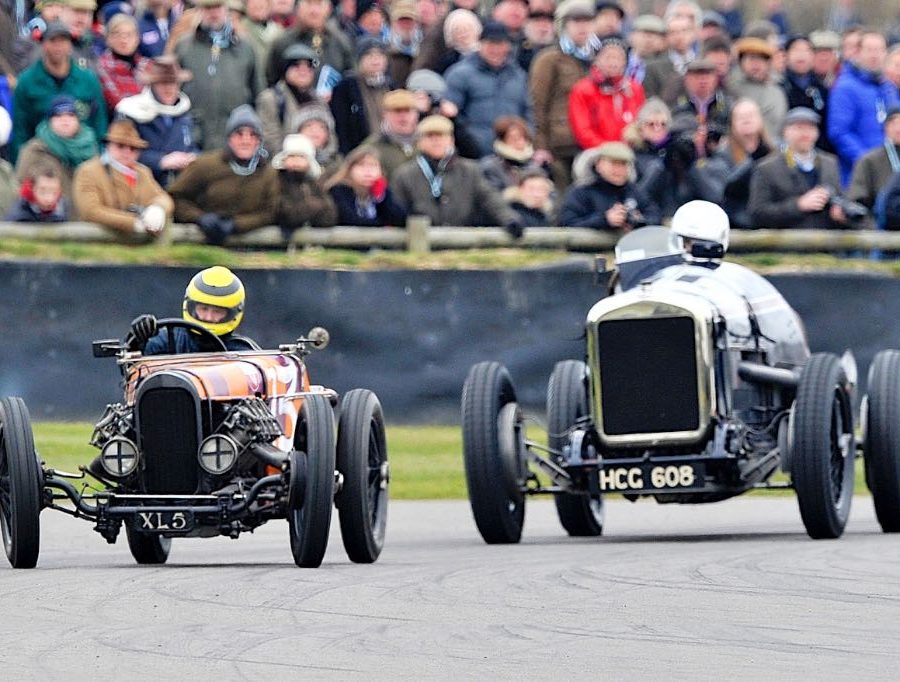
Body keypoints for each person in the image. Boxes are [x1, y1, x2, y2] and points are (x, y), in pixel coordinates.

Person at [168, 104, 279, 244]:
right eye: (239, 134)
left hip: (255, 245)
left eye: (253, 135)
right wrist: (200, 218)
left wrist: (236, 224)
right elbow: (175, 197)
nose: (246, 140)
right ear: (229, 138)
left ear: (259, 141)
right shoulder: (204, 165)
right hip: (202, 242)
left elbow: (270, 211)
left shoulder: (269, 172)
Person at [392, 115, 522, 233]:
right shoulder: (404, 175)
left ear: (451, 140)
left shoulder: (471, 171)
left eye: (441, 136)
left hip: (462, 243)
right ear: (420, 142)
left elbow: (490, 199)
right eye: (430, 136)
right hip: (420, 245)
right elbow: (397, 213)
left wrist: (509, 219)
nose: (436, 141)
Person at [11, 20, 107, 162]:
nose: (58, 46)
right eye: (53, 40)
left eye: (63, 40)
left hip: (83, 157)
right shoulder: (27, 82)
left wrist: (99, 160)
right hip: (43, 157)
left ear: (70, 45)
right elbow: (20, 131)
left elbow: (99, 124)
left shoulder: (88, 79)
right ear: (43, 44)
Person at [529, 0, 596, 190]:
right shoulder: (549, 58)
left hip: (591, 142)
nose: (583, 27)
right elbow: (537, 103)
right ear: (564, 25)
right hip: (559, 144)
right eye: (576, 22)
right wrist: (540, 145)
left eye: (587, 21)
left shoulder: (598, 58)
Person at [175, 0, 259, 150]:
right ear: (199, 10)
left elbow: (258, 93)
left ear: (226, 9)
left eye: (217, 7)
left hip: (235, 137)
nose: (213, 12)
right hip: (194, 136)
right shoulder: (184, 46)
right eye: (207, 8)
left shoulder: (245, 47)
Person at [748, 107, 851, 230]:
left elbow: (840, 198)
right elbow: (757, 213)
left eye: (810, 127)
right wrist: (798, 205)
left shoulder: (830, 163)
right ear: (785, 132)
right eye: (799, 128)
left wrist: (840, 213)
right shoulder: (767, 168)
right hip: (785, 244)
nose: (805, 133)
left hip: (825, 243)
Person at [442, 20, 532, 159]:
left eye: (501, 44)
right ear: (480, 44)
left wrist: (527, 139)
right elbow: (450, 113)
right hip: (473, 155)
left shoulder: (519, 76)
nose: (496, 49)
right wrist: (470, 142)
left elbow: (528, 113)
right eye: (491, 43)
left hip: (513, 154)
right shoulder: (460, 74)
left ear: (508, 46)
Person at [72, 119, 173, 235]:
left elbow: (163, 197)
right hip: (99, 242)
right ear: (108, 145)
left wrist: (157, 209)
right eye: (120, 146)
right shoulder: (88, 171)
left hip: (140, 245)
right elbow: (90, 211)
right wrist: (133, 223)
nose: (127, 152)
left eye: (133, 148)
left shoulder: (143, 172)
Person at [127, 266, 258, 355]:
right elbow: (131, 370)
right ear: (191, 306)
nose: (208, 316)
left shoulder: (243, 352)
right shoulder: (167, 341)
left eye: (217, 311)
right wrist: (138, 340)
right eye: (203, 309)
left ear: (232, 313)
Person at [828, 31, 899, 186]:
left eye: (879, 50)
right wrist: (868, 162)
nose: (875, 55)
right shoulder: (845, 87)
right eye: (869, 50)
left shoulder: (888, 87)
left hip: (892, 173)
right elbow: (839, 133)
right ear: (858, 53)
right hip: (860, 175)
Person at [115, 55, 199, 187]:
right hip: (142, 187)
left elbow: (192, 145)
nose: (169, 89)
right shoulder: (131, 111)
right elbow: (120, 152)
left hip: (181, 185)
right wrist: (161, 161)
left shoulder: (184, 112)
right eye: (163, 83)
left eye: (173, 83)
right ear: (152, 85)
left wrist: (192, 158)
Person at [695, 98, 773, 229]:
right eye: (740, 117)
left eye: (750, 115)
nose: (746, 120)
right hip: (737, 224)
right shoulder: (721, 157)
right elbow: (724, 193)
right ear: (732, 124)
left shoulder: (774, 153)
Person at [15, 94, 100, 209]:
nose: (65, 120)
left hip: (85, 220)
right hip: (46, 221)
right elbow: (20, 187)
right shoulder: (34, 150)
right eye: (58, 116)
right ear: (49, 120)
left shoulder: (90, 148)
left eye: (70, 115)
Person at [558, 141, 660, 230]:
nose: (619, 169)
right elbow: (566, 224)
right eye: (614, 164)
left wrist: (639, 221)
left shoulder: (634, 191)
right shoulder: (581, 192)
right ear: (598, 165)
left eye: (623, 164)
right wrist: (604, 220)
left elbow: (655, 215)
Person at [568, 33, 645, 151]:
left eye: (619, 58)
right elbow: (583, 130)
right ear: (596, 60)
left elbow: (640, 121)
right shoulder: (583, 90)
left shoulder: (634, 89)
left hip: (630, 151)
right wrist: (609, 150)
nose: (613, 63)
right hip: (595, 152)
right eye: (608, 57)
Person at [265, 0, 355, 89]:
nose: (314, 11)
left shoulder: (341, 42)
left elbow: (350, 82)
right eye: (308, 3)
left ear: (329, 8)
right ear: (298, 7)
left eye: (319, 4)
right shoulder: (282, 42)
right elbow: (271, 82)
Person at [256, 43, 326, 154]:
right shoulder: (271, 99)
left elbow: (330, 137)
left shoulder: (319, 100)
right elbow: (270, 140)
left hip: (320, 162)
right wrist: (297, 158)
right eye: (296, 65)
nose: (303, 70)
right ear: (285, 69)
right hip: (285, 163)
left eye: (309, 65)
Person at [330, 38, 393, 155]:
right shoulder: (347, 87)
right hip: (357, 151)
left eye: (380, 55)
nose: (375, 60)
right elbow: (341, 126)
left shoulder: (390, 86)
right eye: (369, 55)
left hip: (387, 150)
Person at [325, 145, 407, 227]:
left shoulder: (382, 191)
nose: (368, 171)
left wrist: (381, 198)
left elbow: (400, 219)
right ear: (350, 170)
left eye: (373, 165)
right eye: (361, 165)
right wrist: (383, 224)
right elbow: (351, 220)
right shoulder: (339, 190)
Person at [272, 133, 337, 233]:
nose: (296, 160)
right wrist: (314, 207)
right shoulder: (277, 182)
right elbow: (287, 215)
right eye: (291, 156)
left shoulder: (314, 184)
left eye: (301, 156)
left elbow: (330, 216)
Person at [727, 37, 788, 141]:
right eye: (751, 59)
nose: (756, 65)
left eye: (761, 60)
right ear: (741, 63)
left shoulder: (777, 91)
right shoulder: (732, 88)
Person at [780, 34, 832, 153]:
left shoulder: (822, 89)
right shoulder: (779, 87)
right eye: (796, 50)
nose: (801, 55)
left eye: (806, 50)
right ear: (786, 56)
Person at [96, 13, 150, 116]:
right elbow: (118, 102)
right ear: (108, 39)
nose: (124, 40)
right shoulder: (102, 66)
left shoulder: (148, 65)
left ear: (137, 38)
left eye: (129, 34)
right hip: (119, 121)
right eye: (117, 34)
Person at [847, 106, 900, 210]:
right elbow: (856, 201)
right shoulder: (869, 160)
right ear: (885, 128)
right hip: (880, 222)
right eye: (894, 123)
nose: (898, 128)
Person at [360, 88, 420, 181]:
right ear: (385, 114)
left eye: (407, 111)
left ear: (416, 114)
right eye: (397, 111)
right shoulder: (372, 147)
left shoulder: (426, 143)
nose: (403, 116)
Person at [642, 12, 697, 105]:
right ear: (666, 37)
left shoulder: (703, 63)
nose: (679, 36)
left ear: (693, 34)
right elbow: (650, 101)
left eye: (684, 31)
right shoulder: (653, 67)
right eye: (673, 32)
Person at [478, 115, 540, 192]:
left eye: (523, 138)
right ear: (502, 141)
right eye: (514, 139)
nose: (520, 142)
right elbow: (490, 197)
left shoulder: (534, 166)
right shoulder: (490, 166)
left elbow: (550, 194)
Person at [4, 164, 69, 222]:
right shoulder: (19, 214)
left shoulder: (63, 209)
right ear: (32, 189)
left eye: (54, 192)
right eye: (43, 191)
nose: (49, 198)